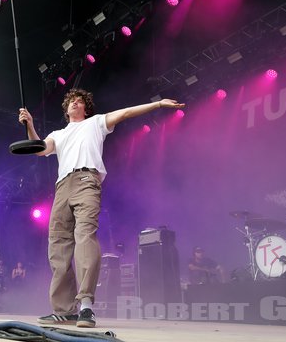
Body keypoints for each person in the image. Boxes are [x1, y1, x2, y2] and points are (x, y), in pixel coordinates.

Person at [18, 88, 184, 328]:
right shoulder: (58, 133)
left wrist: (157, 105)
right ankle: (65, 310)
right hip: (62, 186)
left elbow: (126, 113)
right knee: (58, 245)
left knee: (84, 237)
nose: (75, 103)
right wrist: (30, 124)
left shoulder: (96, 123)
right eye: (71, 102)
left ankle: (86, 305)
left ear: (86, 107)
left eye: (79, 101)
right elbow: (40, 149)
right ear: (66, 109)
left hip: (87, 180)